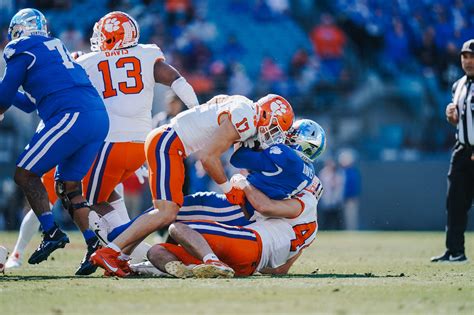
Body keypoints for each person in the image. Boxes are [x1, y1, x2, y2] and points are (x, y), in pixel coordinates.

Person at [90, 94, 295, 276]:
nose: (272, 134)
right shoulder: (247, 119)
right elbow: (208, 157)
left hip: (170, 143)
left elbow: (215, 102)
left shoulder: (243, 104)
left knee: (169, 210)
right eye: (275, 127)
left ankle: (120, 257)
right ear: (267, 115)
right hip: (168, 144)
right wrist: (227, 188)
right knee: (166, 212)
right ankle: (110, 251)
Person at [70, 11, 199, 275]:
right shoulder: (146, 54)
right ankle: (124, 253)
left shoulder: (88, 61)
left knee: (91, 201)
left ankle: (123, 249)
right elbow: (178, 81)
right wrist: (198, 112)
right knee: (110, 195)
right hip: (142, 145)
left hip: (110, 144)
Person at [146, 120, 326, 277]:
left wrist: (241, 182)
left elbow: (264, 205)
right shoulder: (309, 224)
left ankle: (212, 262)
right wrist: (258, 267)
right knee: (155, 252)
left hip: (249, 242)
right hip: (246, 264)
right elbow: (280, 270)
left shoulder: (301, 202)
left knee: (177, 228)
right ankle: (194, 267)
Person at [0, 8, 109, 265]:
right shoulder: (54, 45)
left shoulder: (19, 47)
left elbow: (4, 98)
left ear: (18, 29)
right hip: (97, 116)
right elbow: (27, 104)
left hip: (71, 114)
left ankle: (51, 232)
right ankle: (94, 246)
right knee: (68, 186)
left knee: (25, 173)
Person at [431, 39, 474, 263]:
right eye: (465, 56)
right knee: (455, 202)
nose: (468, 61)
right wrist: (451, 117)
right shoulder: (458, 85)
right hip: (462, 150)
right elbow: (458, 120)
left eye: (472, 57)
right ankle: (455, 251)